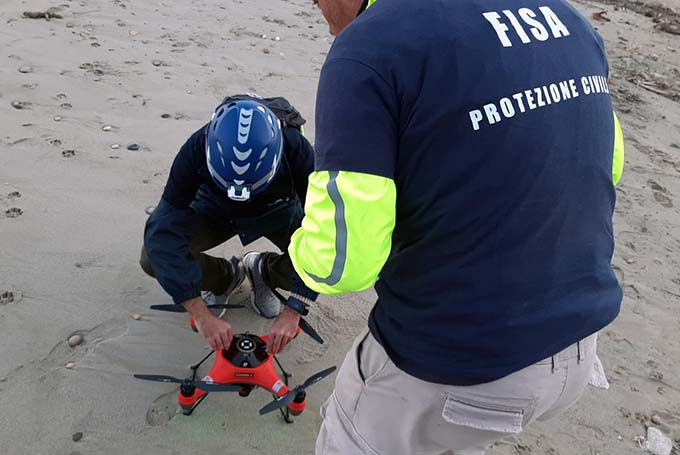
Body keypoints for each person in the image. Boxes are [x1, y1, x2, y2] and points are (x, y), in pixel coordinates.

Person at [288, 0, 625, 454]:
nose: (320, 11)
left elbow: (342, 265)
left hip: (458, 362)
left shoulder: (367, 49)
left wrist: (292, 252)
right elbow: (609, 166)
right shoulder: (567, 19)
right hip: (579, 343)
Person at [140, 94, 316, 355]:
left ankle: (265, 271)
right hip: (216, 208)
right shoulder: (197, 146)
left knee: (329, 258)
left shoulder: (299, 151)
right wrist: (199, 312)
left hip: (278, 208)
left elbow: (329, 234)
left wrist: (295, 307)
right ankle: (225, 278)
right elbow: (162, 232)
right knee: (151, 258)